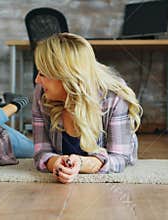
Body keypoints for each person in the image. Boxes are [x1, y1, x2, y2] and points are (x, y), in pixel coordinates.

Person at [32, 33, 143, 183]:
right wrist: (56, 163)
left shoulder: (114, 97)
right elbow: (41, 152)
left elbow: (120, 157)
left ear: (67, 77)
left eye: (43, 74)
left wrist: (82, 164)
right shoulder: (42, 92)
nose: (37, 80)